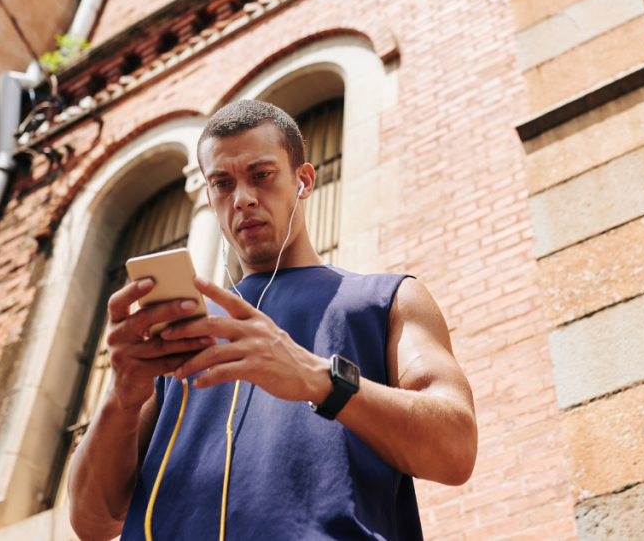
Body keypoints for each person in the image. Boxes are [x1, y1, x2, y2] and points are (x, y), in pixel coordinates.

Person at [67, 100, 477, 541]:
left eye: (260, 175)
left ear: (303, 181)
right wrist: (122, 398)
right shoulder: (182, 330)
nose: (242, 198)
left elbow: (455, 449)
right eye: (222, 183)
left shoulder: (387, 299)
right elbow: (93, 522)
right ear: (209, 196)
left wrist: (317, 377)